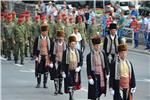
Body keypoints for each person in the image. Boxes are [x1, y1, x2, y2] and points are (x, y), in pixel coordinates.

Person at [86, 35, 109, 100]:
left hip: (101, 74)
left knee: (99, 90)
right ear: (93, 46)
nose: (98, 47)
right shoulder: (89, 56)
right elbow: (88, 68)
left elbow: (106, 64)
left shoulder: (102, 54)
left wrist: (107, 73)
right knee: (94, 92)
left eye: (99, 45)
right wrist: (89, 77)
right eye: (96, 45)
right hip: (94, 75)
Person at [62, 35, 83, 100]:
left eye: (74, 43)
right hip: (68, 69)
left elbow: (81, 61)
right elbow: (63, 62)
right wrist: (63, 71)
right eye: (72, 44)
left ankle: (72, 93)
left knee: (74, 83)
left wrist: (79, 67)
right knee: (69, 83)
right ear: (69, 44)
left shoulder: (79, 52)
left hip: (76, 70)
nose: (73, 45)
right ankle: (71, 96)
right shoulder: (66, 52)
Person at [33, 23, 53, 88]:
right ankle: (38, 83)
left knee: (46, 70)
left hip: (47, 56)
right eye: (44, 31)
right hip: (40, 56)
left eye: (46, 31)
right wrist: (35, 55)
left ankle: (45, 83)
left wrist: (51, 55)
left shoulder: (49, 39)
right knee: (39, 69)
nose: (45, 33)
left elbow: (51, 48)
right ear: (41, 32)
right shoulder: (38, 39)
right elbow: (35, 47)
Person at [50, 30, 67, 95]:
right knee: (56, 76)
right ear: (57, 37)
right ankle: (56, 90)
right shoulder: (54, 44)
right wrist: (51, 61)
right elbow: (52, 53)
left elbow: (66, 54)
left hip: (62, 62)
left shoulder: (65, 44)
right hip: (56, 62)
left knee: (61, 76)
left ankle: (60, 89)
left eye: (62, 37)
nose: (60, 38)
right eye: (59, 37)